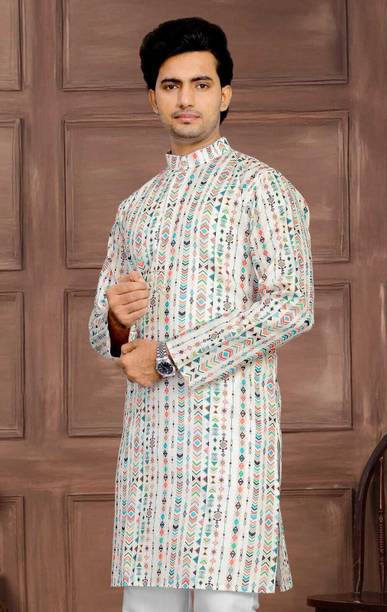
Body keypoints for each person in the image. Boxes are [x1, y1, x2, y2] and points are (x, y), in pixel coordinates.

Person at [88, 15, 315, 612]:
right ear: (153, 99)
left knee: (222, 603)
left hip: (230, 440)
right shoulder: (136, 207)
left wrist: (167, 357)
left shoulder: (261, 188)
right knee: (149, 605)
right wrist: (116, 322)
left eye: (201, 84)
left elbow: (291, 304)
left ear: (225, 95)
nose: (185, 98)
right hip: (151, 447)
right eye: (171, 85)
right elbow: (104, 332)